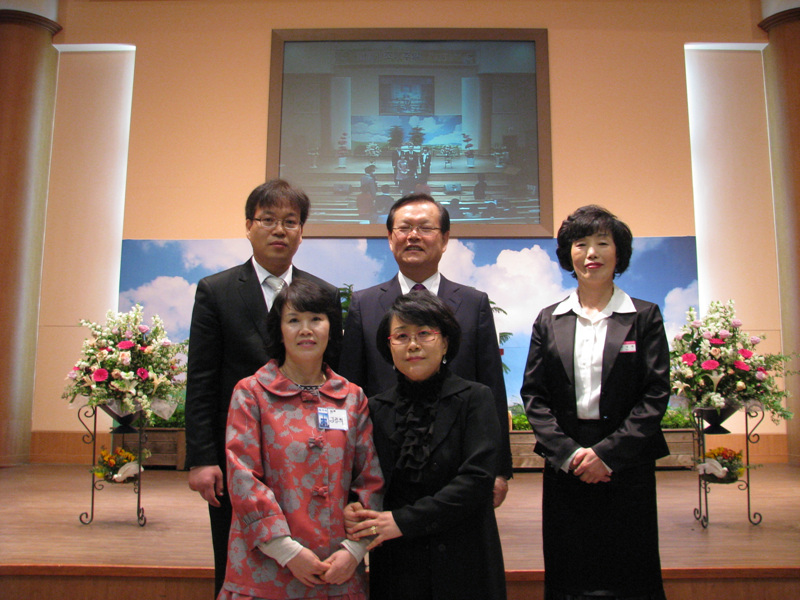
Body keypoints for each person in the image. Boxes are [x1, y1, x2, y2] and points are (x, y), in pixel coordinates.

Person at [185, 179, 343, 597]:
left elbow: (335, 376)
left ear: (301, 231)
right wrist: (202, 458)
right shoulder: (216, 291)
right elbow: (201, 380)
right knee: (238, 554)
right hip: (239, 456)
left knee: (310, 552)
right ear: (248, 226)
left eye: (290, 221)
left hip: (310, 455)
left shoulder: (323, 295)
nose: (279, 230)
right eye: (268, 220)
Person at [520, 205, 670, 600]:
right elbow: (534, 395)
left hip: (627, 462)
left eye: (602, 243)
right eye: (580, 244)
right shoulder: (549, 319)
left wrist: (608, 455)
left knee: (630, 568)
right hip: (566, 462)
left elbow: (655, 393)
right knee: (569, 566)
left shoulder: (644, 317)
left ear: (619, 253)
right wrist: (570, 454)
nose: (591, 253)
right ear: (568, 254)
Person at [339, 193, 513, 507]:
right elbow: (351, 390)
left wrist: (499, 469)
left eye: (425, 228)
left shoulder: (473, 303)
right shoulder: (363, 305)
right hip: (384, 464)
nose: (414, 236)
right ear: (390, 238)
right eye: (404, 228)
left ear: (445, 239)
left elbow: (492, 386)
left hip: (460, 463)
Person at [219, 279, 384, 600]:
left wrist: (354, 551)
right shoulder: (251, 393)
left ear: (331, 328)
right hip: (265, 569)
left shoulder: (352, 397)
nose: (306, 330)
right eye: (294, 320)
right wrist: (287, 551)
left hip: (338, 568)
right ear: (279, 331)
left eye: (316, 319)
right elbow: (242, 477)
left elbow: (370, 480)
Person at [346, 291, 506, 600]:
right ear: (388, 346)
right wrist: (355, 505)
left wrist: (402, 522)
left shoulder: (476, 399)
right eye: (401, 336)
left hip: (464, 560)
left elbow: (476, 481)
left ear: (445, 342)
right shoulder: (374, 408)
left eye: (424, 334)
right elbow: (365, 478)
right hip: (397, 563)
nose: (413, 345)